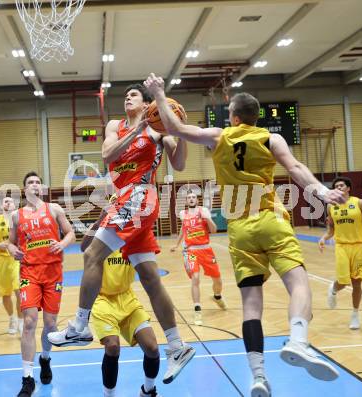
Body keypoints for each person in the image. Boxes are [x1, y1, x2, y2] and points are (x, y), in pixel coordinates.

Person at [143, 73, 346, 397]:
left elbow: (178, 129)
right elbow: (295, 168)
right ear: (256, 117)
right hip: (271, 220)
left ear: (233, 117)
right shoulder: (270, 139)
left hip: (239, 228)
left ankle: (258, 376)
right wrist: (322, 191)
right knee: (298, 284)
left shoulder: (219, 136)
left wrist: (160, 94)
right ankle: (297, 339)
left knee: (251, 304)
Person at [49, 83, 195, 385]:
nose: (127, 98)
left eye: (134, 95)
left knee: (91, 254)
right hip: (124, 198)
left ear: (147, 105)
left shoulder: (158, 130)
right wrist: (136, 128)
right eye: (126, 95)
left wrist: (178, 130)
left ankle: (79, 325)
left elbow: (179, 164)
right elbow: (106, 153)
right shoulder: (116, 126)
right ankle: (177, 346)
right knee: (151, 278)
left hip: (140, 196)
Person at [8, 171, 76, 397]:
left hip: (53, 272)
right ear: (24, 189)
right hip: (30, 272)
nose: (35, 186)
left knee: (50, 324)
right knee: (29, 321)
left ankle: (45, 359)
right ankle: (27, 378)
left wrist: (63, 244)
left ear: (42, 188)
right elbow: (10, 244)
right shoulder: (17, 216)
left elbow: (71, 234)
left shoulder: (54, 209)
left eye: (38, 182)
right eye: (30, 183)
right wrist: (10, 249)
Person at [79, 215, 163, 397]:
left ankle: (148, 391)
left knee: (153, 348)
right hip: (103, 300)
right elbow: (83, 246)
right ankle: (109, 394)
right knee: (112, 347)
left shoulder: (133, 237)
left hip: (127, 298)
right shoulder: (102, 238)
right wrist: (101, 217)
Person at [319, 177, 362, 329]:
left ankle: (355, 314)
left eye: (342, 185)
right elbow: (331, 229)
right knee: (344, 282)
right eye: (336, 186)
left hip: (358, 246)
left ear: (348, 188)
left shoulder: (359, 203)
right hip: (341, 246)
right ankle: (333, 288)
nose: (339, 187)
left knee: (357, 282)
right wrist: (324, 238)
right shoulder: (331, 207)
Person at [170, 190, 226, 326]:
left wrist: (208, 218)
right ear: (186, 201)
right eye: (188, 197)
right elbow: (184, 230)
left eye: (193, 197)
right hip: (191, 251)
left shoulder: (203, 211)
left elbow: (214, 230)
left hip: (206, 249)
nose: (191, 199)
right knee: (195, 278)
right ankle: (197, 310)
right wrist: (177, 245)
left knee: (218, 281)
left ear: (197, 200)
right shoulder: (183, 214)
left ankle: (217, 296)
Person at [0, 197, 23, 335]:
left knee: (19, 291)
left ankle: (21, 321)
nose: (8, 202)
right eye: (5, 201)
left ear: (15, 205)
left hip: (16, 259)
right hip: (1, 260)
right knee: (5, 293)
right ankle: (12, 319)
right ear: (1, 205)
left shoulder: (19, 219)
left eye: (10, 201)